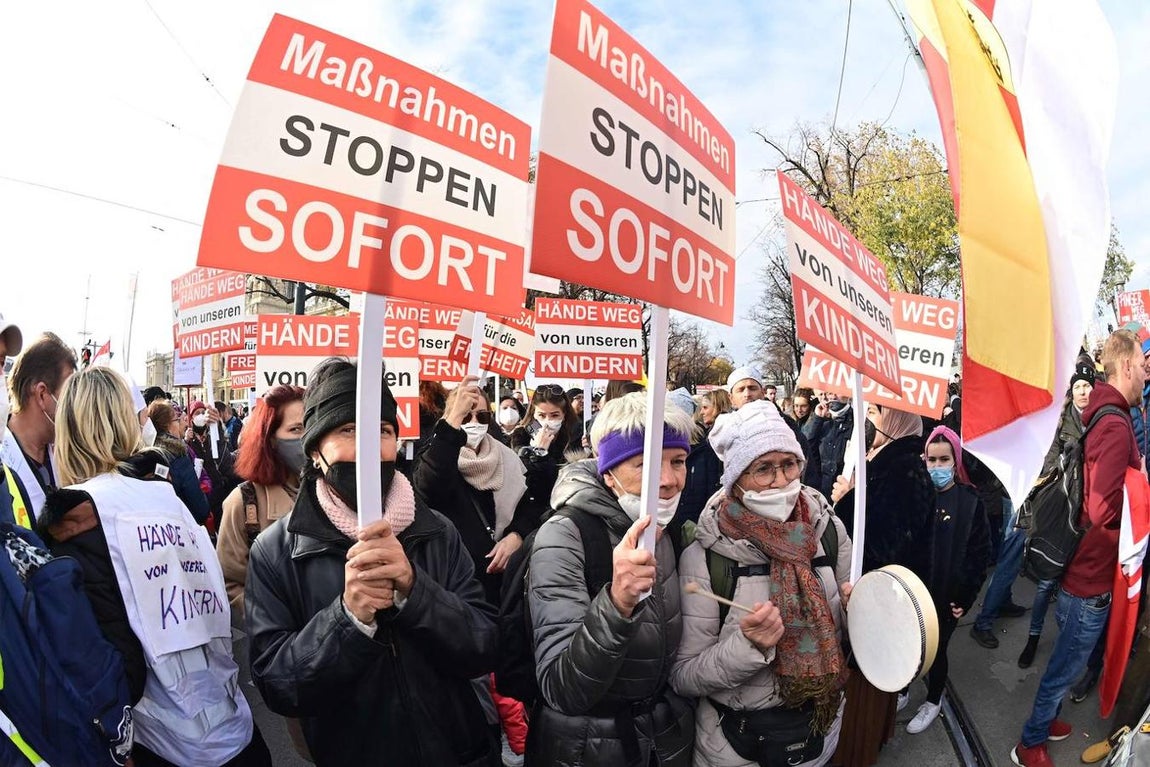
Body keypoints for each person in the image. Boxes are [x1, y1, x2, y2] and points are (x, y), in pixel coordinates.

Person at [245, 359, 499, 766]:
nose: (368, 447)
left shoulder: (436, 531)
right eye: (348, 430)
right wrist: (348, 620)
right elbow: (279, 686)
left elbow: (484, 645)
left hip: (459, 752)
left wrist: (416, 592)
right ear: (315, 451)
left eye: (381, 431)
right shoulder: (277, 552)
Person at [36, 366, 269, 767]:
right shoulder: (167, 499)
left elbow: (107, 663)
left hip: (160, 743)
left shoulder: (78, 520)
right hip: (232, 725)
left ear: (68, 431)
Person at [672, 400, 851, 766]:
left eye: (788, 465)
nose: (781, 480)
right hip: (736, 746)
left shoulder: (827, 531)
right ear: (736, 480)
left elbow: (850, 639)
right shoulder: (707, 556)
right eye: (763, 469)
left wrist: (860, 612)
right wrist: (748, 646)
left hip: (817, 732)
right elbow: (683, 676)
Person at [526, 392, 695, 766]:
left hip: (661, 738)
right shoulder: (565, 536)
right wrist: (617, 603)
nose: (668, 481)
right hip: (586, 747)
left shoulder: (666, 531)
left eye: (679, 461)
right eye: (646, 465)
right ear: (609, 474)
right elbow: (562, 688)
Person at [1012, 329, 1145, 767]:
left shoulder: (1104, 415)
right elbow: (1103, 506)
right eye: (1143, 367)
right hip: (1089, 581)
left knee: (1064, 661)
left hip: (1082, 573)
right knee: (1064, 668)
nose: (1146, 375)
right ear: (1126, 366)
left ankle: (1046, 719)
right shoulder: (1115, 422)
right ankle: (1030, 742)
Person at [830, 403, 935, 766]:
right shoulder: (887, 462)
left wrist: (846, 501)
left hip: (880, 603)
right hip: (877, 599)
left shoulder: (905, 470)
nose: (870, 419)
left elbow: (883, 544)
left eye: (876, 412)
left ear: (897, 421)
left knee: (863, 694)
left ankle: (859, 750)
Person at [413, 376, 544, 606]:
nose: (474, 421)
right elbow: (429, 488)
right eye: (466, 415)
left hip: (504, 587)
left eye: (481, 415)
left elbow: (530, 507)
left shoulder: (507, 457)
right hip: (457, 588)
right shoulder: (437, 455)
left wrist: (516, 535)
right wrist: (453, 419)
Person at [907, 426, 991, 734]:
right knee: (909, 646)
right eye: (932, 460)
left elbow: (979, 554)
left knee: (937, 650)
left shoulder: (970, 502)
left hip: (945, 597)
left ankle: (933, 698)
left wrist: (965, 597)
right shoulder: (915, 496)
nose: (938, 467)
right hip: (912, 593)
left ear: (955, 461)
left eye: (945, 460)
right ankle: (904, 688)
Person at [1015, 360, 1097, 669]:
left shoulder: (1100, 419)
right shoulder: (1062, 424)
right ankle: (1033, 636)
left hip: (1087, 512)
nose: (1083, 391)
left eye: (1087, 385)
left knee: (1073, 582)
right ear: (1072, 391)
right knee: (1047, 581)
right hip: (1061, 508)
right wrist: (1066, 460)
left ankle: (1068, 645)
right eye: (1077, 386)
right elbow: (1047, 466)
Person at [215, 384, 305, 617]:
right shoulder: (243, 503)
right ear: (270, 438)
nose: (308, 438)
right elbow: (229, 583)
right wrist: (273, 618)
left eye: (312, 426)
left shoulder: (336, 491)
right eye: (296, 429)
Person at [0, 332, 75, 521]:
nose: (74, 407)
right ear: (42, 394)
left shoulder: (69, 456)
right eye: (68, 396)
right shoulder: (4, 458)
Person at [510, 384, 579, 507]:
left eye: (554, 415)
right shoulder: (521, 437)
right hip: (530, 508)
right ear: (533, 414)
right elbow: (524, 481)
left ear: (564, 415)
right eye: (542, 415)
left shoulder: (574, 436)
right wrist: (537, 453)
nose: (547, 421)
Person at [147, 401, 211, 524]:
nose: (182, 424)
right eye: (177, 420)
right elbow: (200, 509)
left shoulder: (147, 454)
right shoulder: (178, 456)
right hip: (181, 526)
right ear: (167, 425)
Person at [185, 400, 239, 528]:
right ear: (191, 418)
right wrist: (186, 441)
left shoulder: (214, 435)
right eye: (197, 413)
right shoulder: (188, 440)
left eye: (203, 412)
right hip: (202, 493)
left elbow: (224, 459)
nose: (201, 415)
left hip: (218, 490)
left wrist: (217, 428)